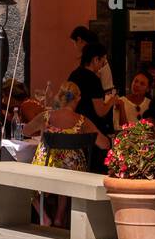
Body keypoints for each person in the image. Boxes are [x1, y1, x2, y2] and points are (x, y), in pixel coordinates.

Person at [32, 81, 108, 225]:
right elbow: (104, 144)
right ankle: (60, 216)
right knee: (66, 168)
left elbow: (25, 131)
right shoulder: (82, 121)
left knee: (26, 174)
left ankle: (43, 215)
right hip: (74, 171)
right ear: (78, 98)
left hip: (46, 166)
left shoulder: (46, 116)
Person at [68, 43, 116, 142]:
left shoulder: (74, 74)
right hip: (90, 130)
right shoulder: (93, 80)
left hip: (74, 127)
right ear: (95, 59)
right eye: (102, 62)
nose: (101, 67)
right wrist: (112, 101)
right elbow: (100, 112)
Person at [70, 25, 114, 93]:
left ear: (79, 39)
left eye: (74, 43)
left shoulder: (76, 74)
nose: (75, 47)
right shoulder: (91, 77)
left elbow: (107, 88)